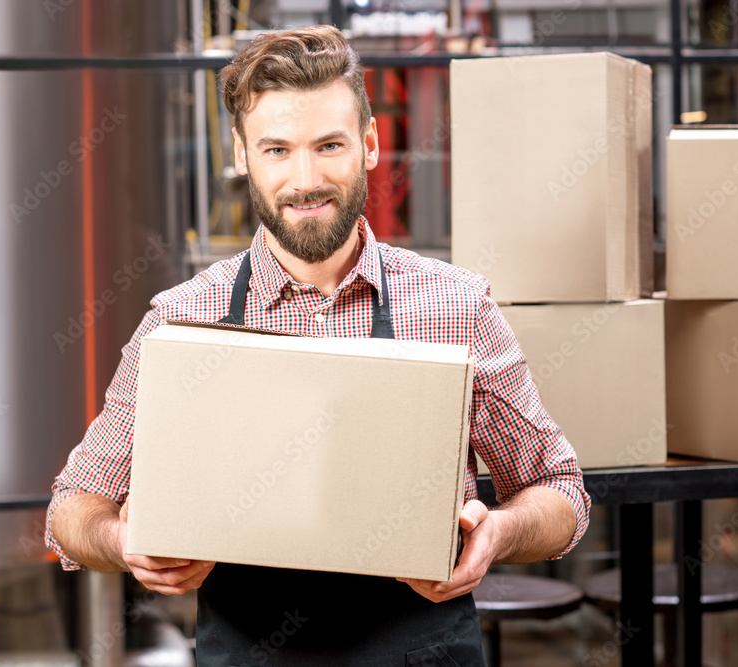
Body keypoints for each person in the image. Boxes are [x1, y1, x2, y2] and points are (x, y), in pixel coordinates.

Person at [47, 24, 590, 666]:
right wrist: (125, 540)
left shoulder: (456, 306)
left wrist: (496, 532)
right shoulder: (181, 319)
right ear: (243, 156)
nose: (305, 179)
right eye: (277, 150)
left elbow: (560, 493)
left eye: (328, 145)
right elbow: (71, 512)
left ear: (369, 144)